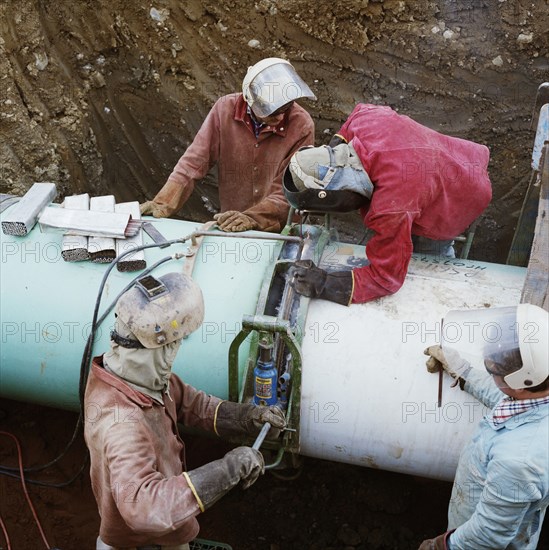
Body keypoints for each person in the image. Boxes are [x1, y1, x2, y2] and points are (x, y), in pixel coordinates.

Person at [84, 271, 286, 549]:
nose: (176, 352)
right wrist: (228, 469)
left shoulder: (133, 377)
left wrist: (246, 418)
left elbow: (192, 404)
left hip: (165, 531)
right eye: (174, 345)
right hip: (139, 542)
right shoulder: (123, 424)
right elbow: (146, 509)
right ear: (158, 349)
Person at [283, 103, 492, 305]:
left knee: (429, 274)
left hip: (461, 195)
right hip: (460, 158)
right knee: (396, 233)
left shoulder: (392, 207)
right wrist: (338, 141)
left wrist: (324, 283)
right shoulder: (367, 121)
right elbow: (361, 110)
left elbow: (385, 277)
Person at [419, 304, 549, 550]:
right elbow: (505, 396)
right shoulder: (537, 393)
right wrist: (463, 370)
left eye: (493, 369)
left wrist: (442, 545)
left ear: (519, 382)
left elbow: (488, 535)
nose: (488, 368)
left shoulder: (518, 461)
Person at [140, 57, 316, 233]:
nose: (279, 117)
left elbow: (289, 188)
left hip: (280, 228)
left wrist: (253, 217)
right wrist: (164, 202)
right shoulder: (225, 109)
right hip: (232, 224)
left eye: (285, 108)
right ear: (250, 100)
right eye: (272, 111)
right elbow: (194, 162)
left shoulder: (301, 125)